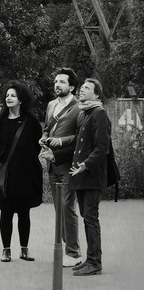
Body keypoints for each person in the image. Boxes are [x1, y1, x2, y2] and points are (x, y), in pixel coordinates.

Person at [0, 81, 43, 263]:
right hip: (6, 175)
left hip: (26, 173)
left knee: (24, 212)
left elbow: (37, 144)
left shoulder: (31, 121)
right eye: (7, 95)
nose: (9, 98)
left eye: (13, 95)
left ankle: (24, 249)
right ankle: (6, 250)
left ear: (21, 99)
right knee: (5, 213)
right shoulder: (0, 122)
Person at [39, 67, 82, 267]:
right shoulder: (50, 105)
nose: (57, 84)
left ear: (72, 86)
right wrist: (45, 138)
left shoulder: (80, 107)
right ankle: (68, 248)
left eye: (62, 82)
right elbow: (47, 128)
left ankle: (73, 253)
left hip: (68, 164)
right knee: (59, 210)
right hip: (52, 164)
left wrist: (62, 141)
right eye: (56, 81)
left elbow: (82, 136)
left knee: (68, 208)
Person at [69, 78, 111, 277]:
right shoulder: (85, 113)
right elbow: (78, 145)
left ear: (96, 94)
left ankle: (95, 262)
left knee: (91, 218)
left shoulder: (99, 114)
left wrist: (85, 165)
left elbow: (102, 148)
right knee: (87, 217)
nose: (81, 90)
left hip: (92, 175)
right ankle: (90, 258)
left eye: (86, 88)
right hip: (81, 175)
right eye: (81, 87)